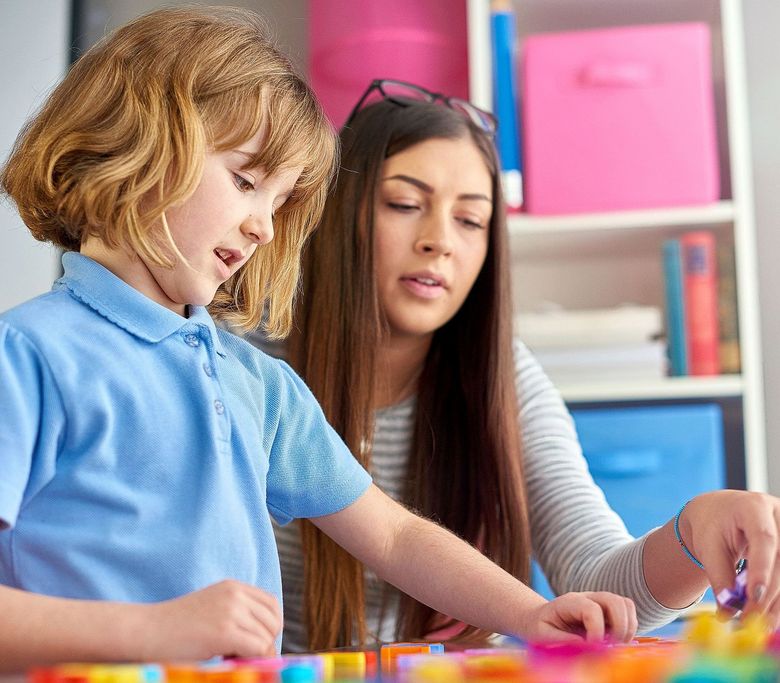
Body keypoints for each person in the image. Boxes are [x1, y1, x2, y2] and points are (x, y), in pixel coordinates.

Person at [0, 8, 641, 673]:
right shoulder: (27, 358)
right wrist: (154, 630)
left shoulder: (254, 382)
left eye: (277, 205)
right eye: (246, 181)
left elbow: (392, 535)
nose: (263, 229)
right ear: (134, 143)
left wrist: (528, 613)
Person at [269, 79, 780, 652]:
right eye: (405, 205)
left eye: (471, 221)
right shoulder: (253, 362)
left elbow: (597, 587)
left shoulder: (501, 376)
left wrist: (694, 529)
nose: (439, 241)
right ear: (338, 215)